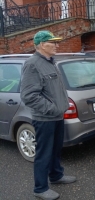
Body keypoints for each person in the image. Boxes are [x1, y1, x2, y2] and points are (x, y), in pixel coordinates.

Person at [20, 30, 76, 200]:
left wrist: (60, 107)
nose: (57, 45)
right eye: (53, 42)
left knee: (55, 149)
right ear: (42, 44)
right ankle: (40, 188)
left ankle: (56, 176)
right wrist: (53, 108)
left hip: (57, 116)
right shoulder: (32, 64)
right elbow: (29, 96)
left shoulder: (50, 62)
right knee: (44, 153)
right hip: (45, 118)